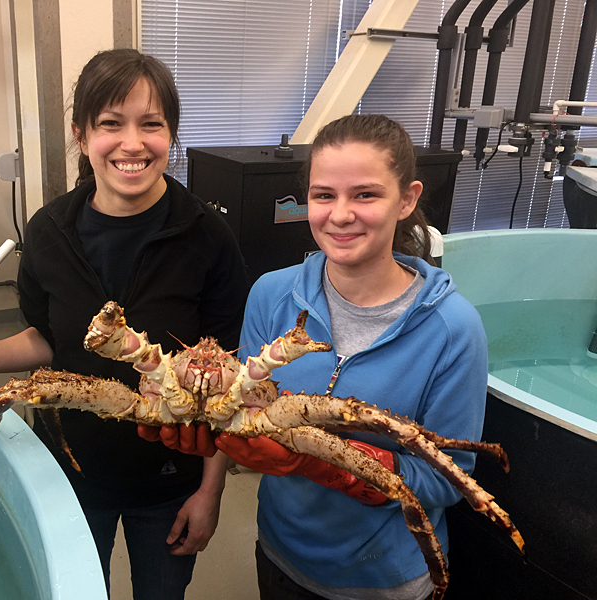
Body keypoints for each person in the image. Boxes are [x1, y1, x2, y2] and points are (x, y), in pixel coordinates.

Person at [0, 48, 248, 600]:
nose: (132, 143)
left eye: (151, 124)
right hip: (71, 468)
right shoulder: (51, 231)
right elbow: (44, 338)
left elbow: (232, 380)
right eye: (110, 124)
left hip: (173, 477)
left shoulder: (207, 236)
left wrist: (211, 491)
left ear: (170, 135)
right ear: (82, 135)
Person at [154, 114, 487, 600]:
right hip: (281, 551)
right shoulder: (272, 295)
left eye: (366, 195)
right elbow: (239, 407)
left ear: (408, 199)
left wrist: (320, 461)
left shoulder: (453, 329)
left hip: (386, 577)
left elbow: (448, 478)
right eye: (324, 195)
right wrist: (209, 466)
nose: (340, 214)